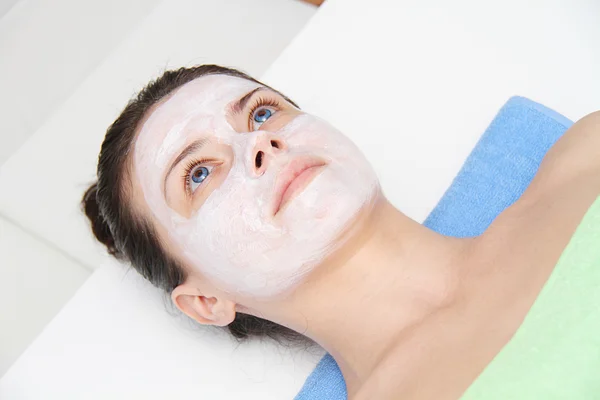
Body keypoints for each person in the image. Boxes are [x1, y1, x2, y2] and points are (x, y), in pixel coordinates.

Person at [83, 64, 600, 399]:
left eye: (262, 112)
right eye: (199, 173)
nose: (260, 143)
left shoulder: (586, 157)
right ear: (206, 302)